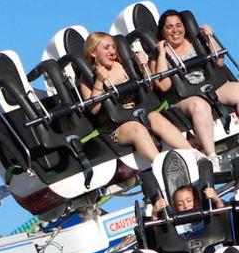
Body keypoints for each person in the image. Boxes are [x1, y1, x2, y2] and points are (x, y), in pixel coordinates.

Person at [151, 10, 239, 166]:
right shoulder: (159, 55)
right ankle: (211, 156)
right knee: (200, 106)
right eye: (169, 27)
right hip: (185, 96)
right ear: (162, 31)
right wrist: (162, 53)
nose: (175, 30)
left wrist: (209, 37)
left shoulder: (196, 41)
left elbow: (219, 62)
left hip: (210, 85)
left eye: (178, 25)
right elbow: (163, 85)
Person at [80, 32, 194, 163]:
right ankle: (163, 165)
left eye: (113, 47)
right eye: (106, 48)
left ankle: (193, 154)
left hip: (140, 113)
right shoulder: (88, 78)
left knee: (155, 117)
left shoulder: (123, 64)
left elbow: (149, 87)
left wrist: (143, 66)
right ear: (93, 53)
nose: (112, 51)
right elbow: (94, 109)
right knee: (137, 128)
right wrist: (99, 81)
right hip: (118, 125)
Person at [153, 183, 225, 253]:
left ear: (197, 202)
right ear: (175, 208)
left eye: (189, 201)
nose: (186, 206)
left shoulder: (208, 218)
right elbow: (159, 234)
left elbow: (222, 217)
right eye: (180, 204)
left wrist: (216, 199)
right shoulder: (175, 227)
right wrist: (155, 213)